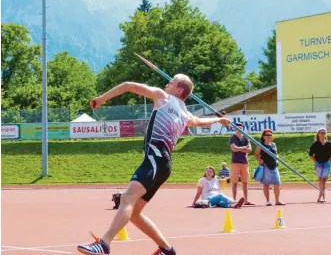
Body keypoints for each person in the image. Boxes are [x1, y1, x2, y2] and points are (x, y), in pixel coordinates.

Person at [77, 74, 232, 255]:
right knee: (133, 213)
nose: (168, 83)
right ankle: (167, 249)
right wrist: (219, 120)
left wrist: (101, 98)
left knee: (127, 199)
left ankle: (104, 244)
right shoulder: (185, 114)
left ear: (179, 90)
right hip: (164, 165)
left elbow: (128, 84)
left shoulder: (162, 96)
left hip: (155, 158)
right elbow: (200, 121)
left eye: (172, 82)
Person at [254, 129, 285, 206]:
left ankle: (277, 200)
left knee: (277, 183)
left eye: (270, 135)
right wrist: (260, 160)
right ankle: (268, 201)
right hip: (266, 166)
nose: (269, 136)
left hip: (274, 166)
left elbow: (276, 154)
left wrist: (277, 159)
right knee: (266, 184)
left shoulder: (273, 144)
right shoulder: (260, 145)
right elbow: (256, 155)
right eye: (267, 135)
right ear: (263, 136)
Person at [229, 122, 254, 205]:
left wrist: (240, 148)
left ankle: (246, 200)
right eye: (238, 128)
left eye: (241, 128)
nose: (240, 129)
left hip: (244, 162)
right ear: (235, 129)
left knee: (245, 182)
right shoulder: (232, 138)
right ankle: (234, 200)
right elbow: (234, 149)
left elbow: (249, 150)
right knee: (234, 182)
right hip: (235, 162)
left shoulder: (246, 138)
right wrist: (243, 148)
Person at [309, 128, 331, 203]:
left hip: (327, 163)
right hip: (319, 163)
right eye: (321, 132)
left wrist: (329, 161)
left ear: (326, 134)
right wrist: (315, 161)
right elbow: (311, 154)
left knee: (324, 180)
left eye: (324, 132)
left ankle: (322, 196)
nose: (323, 134)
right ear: (318, 134)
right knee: (320, 179)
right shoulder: (315, 144)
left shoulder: (329, 143)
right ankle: (321, 195)